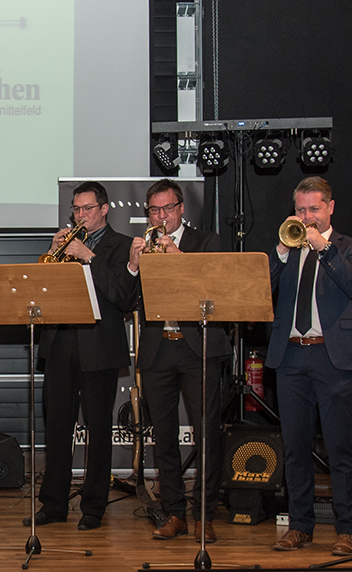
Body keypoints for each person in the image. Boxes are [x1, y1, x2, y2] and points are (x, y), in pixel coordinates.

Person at [126, 179, 230, 544]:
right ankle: (174, 513)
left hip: (198, 347)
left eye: (167, 208)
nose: (161, 216)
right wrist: (134, 265)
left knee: (206, 434)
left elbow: (214, 289)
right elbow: (124, 299)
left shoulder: (206, 242)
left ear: (181, 209)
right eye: (154, 210)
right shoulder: (145, 246)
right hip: (158, 348)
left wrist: (177, 257)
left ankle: (204, 515)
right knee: (164, 437)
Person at [268, 177, 352, 556]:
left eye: (314, 209)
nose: (307, 216)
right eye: (300, 209)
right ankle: (300, 526)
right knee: (295, 448)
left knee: (340, 447)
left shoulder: (350, 247)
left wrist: (324, 249)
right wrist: (280, 251)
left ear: (330, 207)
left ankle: (347, 529)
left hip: (332, 357)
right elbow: (258, 287)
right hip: (291, 356)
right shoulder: (289, 247)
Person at [30, 181, 137, 531]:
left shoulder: (121, 245)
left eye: (87, 209)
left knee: (98, 430)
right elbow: (41, 289)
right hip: (60, 343)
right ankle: (54, 504)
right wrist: (53, 251)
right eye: (76, 209)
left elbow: (122, 295)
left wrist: (88, 256)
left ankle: (94, 506)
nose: (80, 215)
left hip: (99, 347)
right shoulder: (64, 244)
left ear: (104, 209)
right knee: (57, 428)